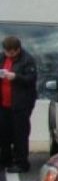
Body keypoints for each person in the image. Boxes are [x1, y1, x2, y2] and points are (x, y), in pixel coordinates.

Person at [0, 36, 38, 173]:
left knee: (20, 134)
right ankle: (5, 160)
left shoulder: (27, 60)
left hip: (21, 104)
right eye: (6, 52)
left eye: (11, 52)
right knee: (4, 132)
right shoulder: (2, 58)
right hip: (3, 104)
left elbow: (31, 79)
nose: (8, 54)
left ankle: (21, 163)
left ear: (17, 50)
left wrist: (15, 77)